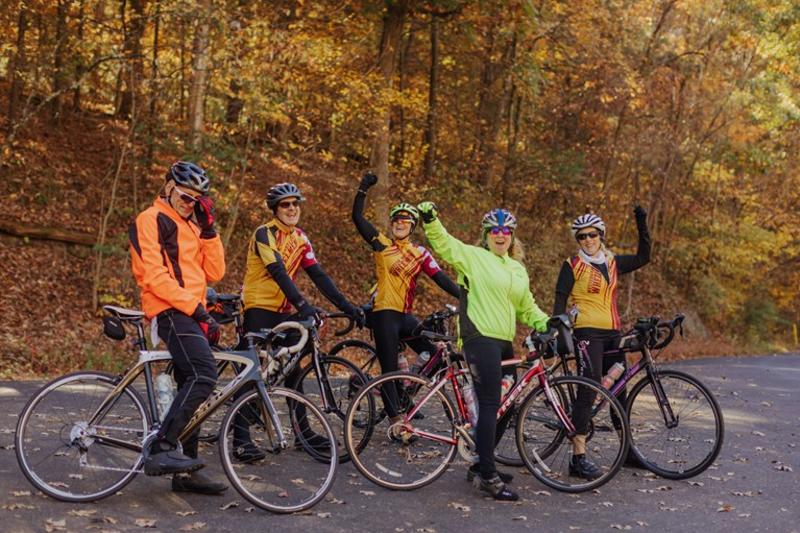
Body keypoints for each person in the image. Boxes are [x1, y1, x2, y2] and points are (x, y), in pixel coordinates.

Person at [417, 202, 548, 501]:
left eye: (506, 231)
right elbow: (445, 244)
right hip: (478, 338)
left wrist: (546, 322)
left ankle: (481, 463)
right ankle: (488, 476)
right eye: (494, 231)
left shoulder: (517, 269)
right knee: (490, 403)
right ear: (486, 235)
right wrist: (431, 220)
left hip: (503, 340)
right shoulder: (474, 258)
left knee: (508, 403)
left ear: (513, 236)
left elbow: (527, 308)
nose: (500, 235)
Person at [234, 182, 363, 461]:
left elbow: (319, 275)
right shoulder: (264, 234)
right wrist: (304, 306)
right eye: (285, 204)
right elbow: (279, 273)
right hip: (259, 308)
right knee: (253, 372)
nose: (292, 209)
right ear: (275, 209)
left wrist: (348, 307)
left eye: (295, 204)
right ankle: (240, 440)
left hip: (283, 310)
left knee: (294, 370)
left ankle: (302, 433)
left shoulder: (301, 238)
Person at [128, 161, 228, 494]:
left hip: (189, 311)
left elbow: (215, 271)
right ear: (169, 187)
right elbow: (155, 277)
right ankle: (161, 448)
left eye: (197, 202)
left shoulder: (192, 226)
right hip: (169, 309)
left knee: (192, 385)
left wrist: (209, 229)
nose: (190, 205)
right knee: (204, 374)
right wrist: (198, 310)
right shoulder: (150, 219)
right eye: (186, 198)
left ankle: (186, 472)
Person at [352, 174, 459, 436]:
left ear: (412, 226)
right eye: (396, 220)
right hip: (384, 314)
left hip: (405, 316)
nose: (400, 223)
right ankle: (396, 420)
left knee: (434, 355)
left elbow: (441, 278)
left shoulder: (420, 253)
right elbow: (358, 219)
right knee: (389, 368)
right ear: (392, 224)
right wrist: (363, 189)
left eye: (406, 220)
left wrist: (466, 297)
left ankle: (405, 392)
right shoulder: (382, 244)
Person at [552, 207, 651, 479]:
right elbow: (559, 301)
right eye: (582, 236)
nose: (587, 240)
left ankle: (628, 450)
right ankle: (578, 457)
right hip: (586, 333)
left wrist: (641, 222)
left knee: (620, 390)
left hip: (612, 334)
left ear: (601, 235)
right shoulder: (571, 265)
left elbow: (645, 256)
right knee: (590, 384)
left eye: (592, 234)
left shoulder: (613, 262)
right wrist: (559, 331)